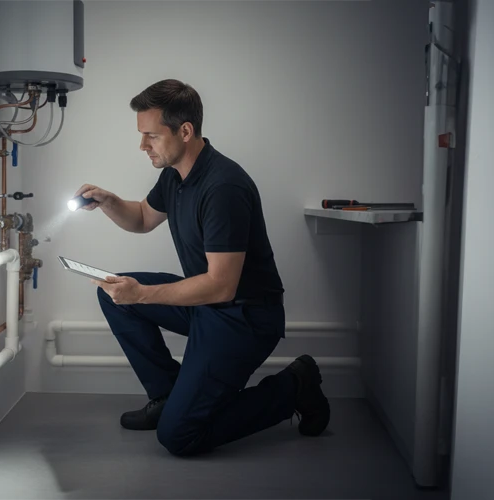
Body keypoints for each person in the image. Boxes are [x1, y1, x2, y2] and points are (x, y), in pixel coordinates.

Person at [72, 79, 330, 456]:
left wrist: (142, 294)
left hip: (244, 317)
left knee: (179, 437)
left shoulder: (223, 187)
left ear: (186, 131)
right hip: (208, 304)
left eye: (151, 136)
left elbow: (222, 286)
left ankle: (295, 385)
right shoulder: (175, 175)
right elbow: (143, 217)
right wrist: (109, 200)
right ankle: (168, 396)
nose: (142, 146)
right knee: (112, 294)